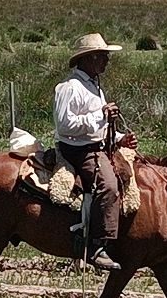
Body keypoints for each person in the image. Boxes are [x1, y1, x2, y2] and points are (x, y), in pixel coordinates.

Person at [54, 33, 138, 271]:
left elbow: (98, 127)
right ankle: (97, 246)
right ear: (89, 59)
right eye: (103, 56)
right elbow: (64, 125)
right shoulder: (70, 88)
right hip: (78, 150)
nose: (106, 61)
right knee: (108, 185)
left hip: (95, 145)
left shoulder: (94, 86)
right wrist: (100, 115)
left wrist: (120, 138)